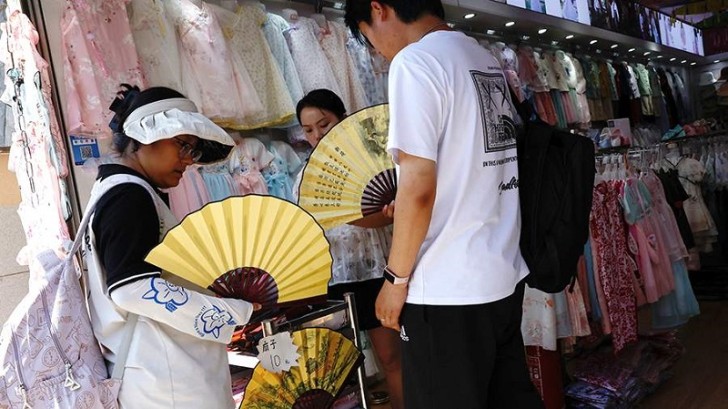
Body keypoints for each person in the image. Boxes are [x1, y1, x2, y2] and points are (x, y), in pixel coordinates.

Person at [345, 1, 545, 408]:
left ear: (378, 10)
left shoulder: (415, 62)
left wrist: (395, 280)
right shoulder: (480, 56)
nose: (379, 52)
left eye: (368, 38)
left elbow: (418, 186)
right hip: (500, 273)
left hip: (446, 289)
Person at [84, 85, 259, 408]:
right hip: (167, 376)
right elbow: (130, 287)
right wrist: (234, 311)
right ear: (142, 137)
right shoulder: (129, 196)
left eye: (192, 150)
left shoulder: (116, 189)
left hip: (157, 367)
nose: (188, 160)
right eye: (182, 144)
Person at [294, 88, 404, 409]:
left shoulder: (373, 160)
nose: (316, 135)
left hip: (376, 270)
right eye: (308, 129)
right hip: (333, 276)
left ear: (342, 118)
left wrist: (356, 215)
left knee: (391, 357)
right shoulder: (305, 175)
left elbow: (389, 218)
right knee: (342, 367)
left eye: (323, 124)